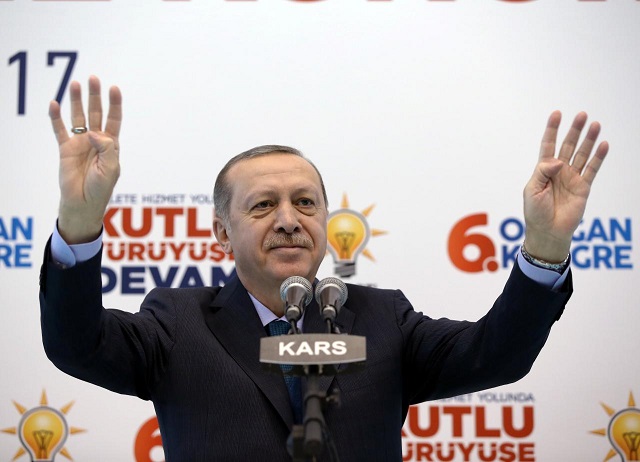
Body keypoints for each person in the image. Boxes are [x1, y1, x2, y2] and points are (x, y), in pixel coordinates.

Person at [39, 76, 608, 461]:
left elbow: (499, 354)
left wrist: (545, 245)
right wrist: (79, 223)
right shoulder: (177, 321)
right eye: (263, 205)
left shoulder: (382, 317)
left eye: (305, 203)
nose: (289, 220)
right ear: (220, 232)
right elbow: (76, 345)